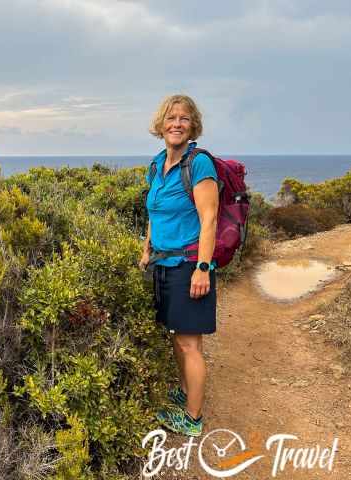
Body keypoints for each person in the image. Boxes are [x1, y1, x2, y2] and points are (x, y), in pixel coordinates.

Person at [139, 94, 219, 437]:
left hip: (189, 264)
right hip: (163, 264)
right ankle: (187, 391)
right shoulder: (157, 164)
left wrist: (202, 267)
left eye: (184, 118)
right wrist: (146, 248)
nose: (176, 123)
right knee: (176, 335)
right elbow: (154, 213)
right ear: (161, 125)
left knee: (190, 344)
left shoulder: (198, 164)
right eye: (171, 118)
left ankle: (192, 419)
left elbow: (209, 218)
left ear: (193, 126)